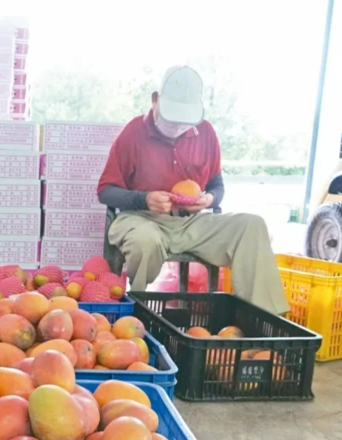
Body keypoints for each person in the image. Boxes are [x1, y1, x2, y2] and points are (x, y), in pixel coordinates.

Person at [97, 65, 289, 315]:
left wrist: (208, 198)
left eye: (183, 123)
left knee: (252, 225)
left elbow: (217, 187)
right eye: (171, 119)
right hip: (142, 219)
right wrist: (144, 199)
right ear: (155, 101)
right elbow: (105, 191)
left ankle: (264, 319)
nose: (177, 127)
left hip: (192, 224)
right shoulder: (133, 132)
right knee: (145, 241)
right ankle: (136, 312)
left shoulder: (206, 133)